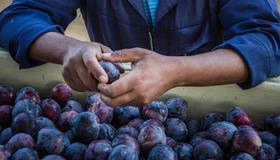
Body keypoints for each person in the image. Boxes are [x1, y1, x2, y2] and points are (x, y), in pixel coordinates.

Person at [0, 1, 279, 107]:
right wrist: (69, 49)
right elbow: (19, 17)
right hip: (114, 105)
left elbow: (268, 40)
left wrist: (178, 71)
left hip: (207, 102)